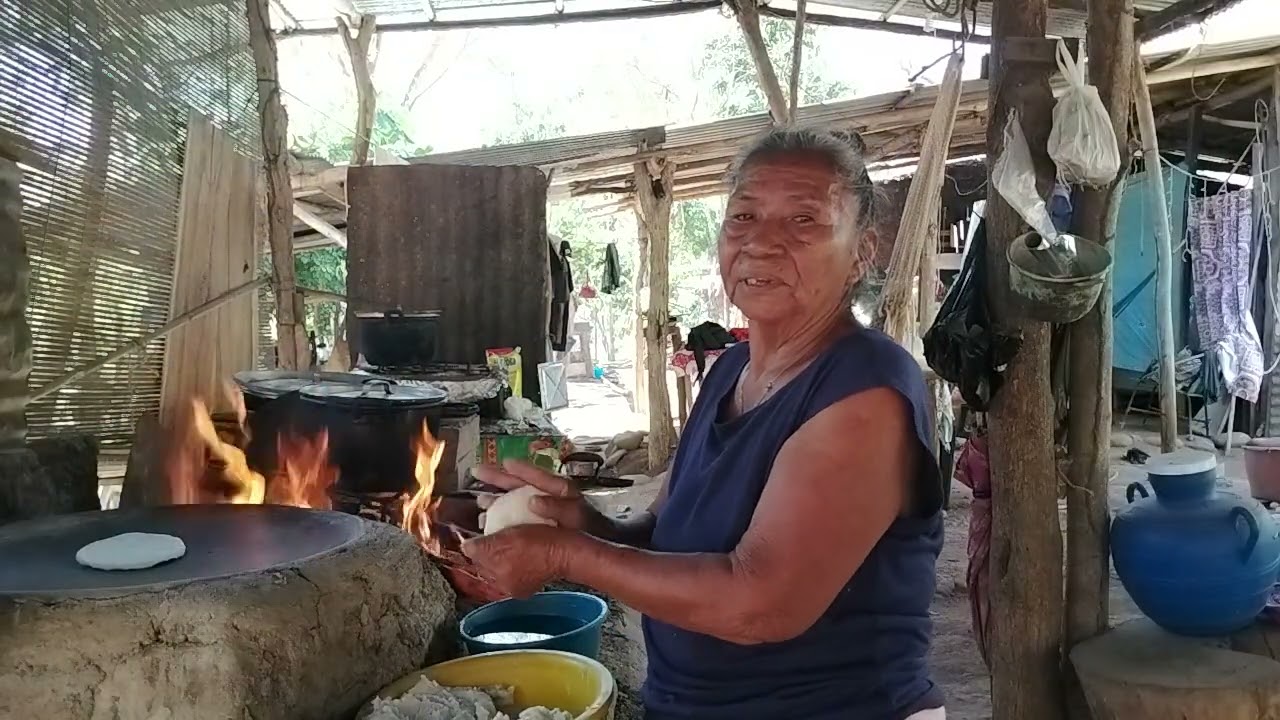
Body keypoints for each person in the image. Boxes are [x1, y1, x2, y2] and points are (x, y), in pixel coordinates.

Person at [463, 127, 946, 720]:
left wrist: (564, 555)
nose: (761, 243)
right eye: (743, 216)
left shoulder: (867, 391)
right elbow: (664, 537)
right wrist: (584, 521)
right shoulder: (730, 371)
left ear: (862, 252)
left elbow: (760, 603)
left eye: (803, 221)